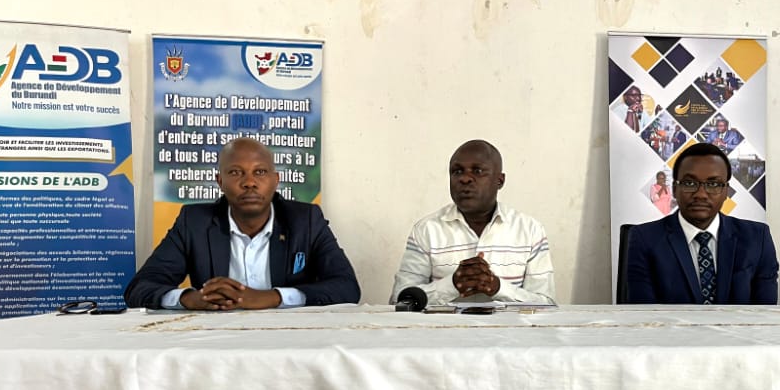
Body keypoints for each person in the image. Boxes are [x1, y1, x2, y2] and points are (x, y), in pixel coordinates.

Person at [124, 137, 360, 310]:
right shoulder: (194, 222)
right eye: (236, 173)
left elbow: (347, 287)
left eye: (260, 172)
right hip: (216, 340)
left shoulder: (306, 220)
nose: (249, 182)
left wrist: (272, 297)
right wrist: (189, 299)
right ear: (220, 181)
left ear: (275, 181)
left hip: (290, 339)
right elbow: (139, 288)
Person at [390, 139, 555, 305]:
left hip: (508, 323)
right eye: (457, 171)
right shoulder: (427, 230)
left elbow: (546, 304)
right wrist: (453, 285)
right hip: (445, 323)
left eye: (478, 171)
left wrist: (497, 288)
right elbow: (400, 300)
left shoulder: (530, 230)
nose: (465, 178)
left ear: (500, 181)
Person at [625, 142, 778, 304]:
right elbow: (644, 313)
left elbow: (765, 312)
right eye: (690, 183)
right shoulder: (645, 239)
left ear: (726, 192)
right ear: (675, 190)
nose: (701, 194)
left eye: (713, 184)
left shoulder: (757, 238)